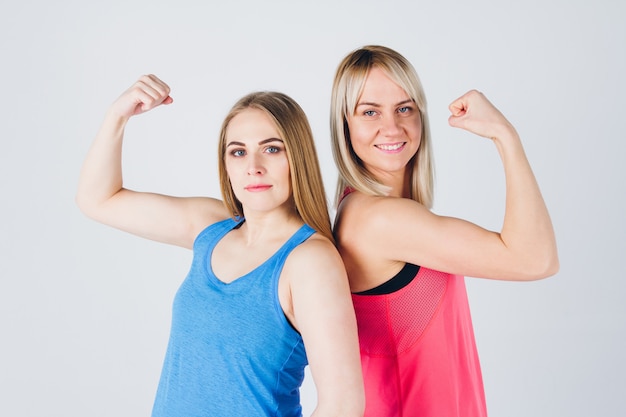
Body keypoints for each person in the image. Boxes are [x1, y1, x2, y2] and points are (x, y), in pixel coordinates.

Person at [76, 74, 364, 417]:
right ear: (225, 164)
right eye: (238, 152)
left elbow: (343, 405)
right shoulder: (212, 227)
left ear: (297, 158)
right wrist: (118, 115)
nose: (253, 167)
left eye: (271, 149)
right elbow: (98, 199)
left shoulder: (309, 261)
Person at [329, 45, 559, 417]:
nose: (392, 127)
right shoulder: (379, 220)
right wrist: (506, 136)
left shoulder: (373, 210)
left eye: (404, 108)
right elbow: (536, 259)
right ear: (345, 126)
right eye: (369, 112)